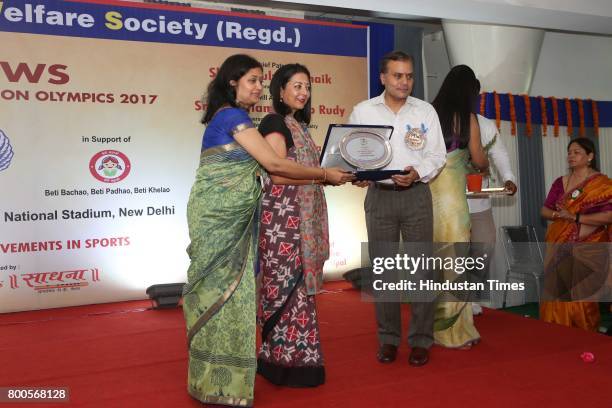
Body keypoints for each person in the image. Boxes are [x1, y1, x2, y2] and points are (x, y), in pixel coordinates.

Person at [182, 54, 352, 407]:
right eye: (252, 81)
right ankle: (218, 381)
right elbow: (274, 166)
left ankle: (216, 379)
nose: (259, 88)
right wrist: (324, 175)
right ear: (232, 82)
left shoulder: (237, 118)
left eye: (261, 81)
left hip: (230, 218)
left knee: (226, 298)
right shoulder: (233, 117)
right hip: (220, 217)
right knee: (221, 296)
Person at [348, 51, 446, 366]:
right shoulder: (363, 111)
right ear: (383, 78)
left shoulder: (426, 111)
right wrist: (358, 174)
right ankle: (388, 339)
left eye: (409, 76)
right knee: (384, 272)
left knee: (421, 271)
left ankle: (420, 340)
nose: (404, 82)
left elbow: (437, 155)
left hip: (417, 194)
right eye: (397, 75)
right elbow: (351, 150)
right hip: (380, 196)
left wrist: (418, 172)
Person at [256, 63, 328, 387]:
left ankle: (300, 362)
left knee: (300, 295)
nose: (303, 92)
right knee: (284, 292)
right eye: (296, 86)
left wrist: (337, 176)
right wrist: (325, 175)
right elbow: (278, 172)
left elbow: (307, 173)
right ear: (280, 90)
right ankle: (279, 363)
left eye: (307, 87)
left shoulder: (300, 126)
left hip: (300, 220)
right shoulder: (274, 122)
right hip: (283, 223)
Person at [430, 64, 489, 349]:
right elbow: (478, 159)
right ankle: (453, 332)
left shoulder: (428, 113)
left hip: (427, 196)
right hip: (452, 199)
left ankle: (429, 327)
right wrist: (484, 163)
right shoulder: (467, 119)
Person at [540, 138, 611, 331]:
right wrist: (558, 215)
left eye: (577, 152)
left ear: (590, 156)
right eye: (569, 152)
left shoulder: (602, 184)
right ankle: (556, 334)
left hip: (590, 245)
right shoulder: (560, 183)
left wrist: (575, 217)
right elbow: (545, 211)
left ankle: (584, 336)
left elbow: (608, 216)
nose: (571, 156)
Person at [468, 105, 518, 316]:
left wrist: (508, 178)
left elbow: (499, 152)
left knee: (484, 247)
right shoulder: (440, 118)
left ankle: (472, 295)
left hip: (480, 202)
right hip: (448, 203)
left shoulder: (485, 124)